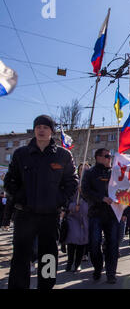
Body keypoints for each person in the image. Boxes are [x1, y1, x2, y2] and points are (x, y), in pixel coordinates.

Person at [3, 114, 78, 289]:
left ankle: (46, 286)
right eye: (38, 127)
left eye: (45, 127)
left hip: (50, 216)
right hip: (25, 214)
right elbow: (10, 180)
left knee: (49, 256)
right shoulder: (21, 154)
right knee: (21, 255)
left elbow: (72, 182)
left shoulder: (63, 155)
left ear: (51, 131)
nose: (41, 130)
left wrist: (59, 202)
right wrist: (20, 197)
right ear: (34, 130)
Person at [81, 148, 119, 284]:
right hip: (96, 213)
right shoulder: (90, 173)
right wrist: (101, 198)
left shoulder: (116, 172)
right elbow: (85, 191)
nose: (110, 158)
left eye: (110, 156)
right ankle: (97, 267)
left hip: (113, 214)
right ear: (98, 157)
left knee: (113, 245)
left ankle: (111, 273)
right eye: (107, 156)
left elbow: (125, 189)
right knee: (94, 243)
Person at [64, 163, 90, 272]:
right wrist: (73, 207)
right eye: (81, 169)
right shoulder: (74, 183)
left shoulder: (90, 184)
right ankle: (70, 261)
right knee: (72, 239)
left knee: (82, 241)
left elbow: (93, 198)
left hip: (86, 216)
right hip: (73, 215)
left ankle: (78, 263)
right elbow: (67, 199)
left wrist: (83, 193)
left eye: (86, 169)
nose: (83, 171)